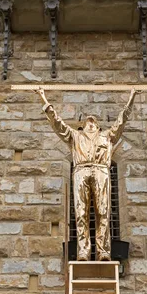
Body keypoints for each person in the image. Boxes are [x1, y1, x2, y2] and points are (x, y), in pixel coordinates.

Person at [35, 88, 137, 261]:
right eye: (88, 121)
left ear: (97, 126)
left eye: (93, 121)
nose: (91, 123)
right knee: (81, 212)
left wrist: (132, 97)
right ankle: (83, 251)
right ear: (82, 126)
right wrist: (44, 99)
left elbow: (122, 121)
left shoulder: (107, 136)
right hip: (81, 170)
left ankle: (103, 251)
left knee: (103, 211)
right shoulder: (75, 136)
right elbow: (58, 124)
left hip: (101, 170)